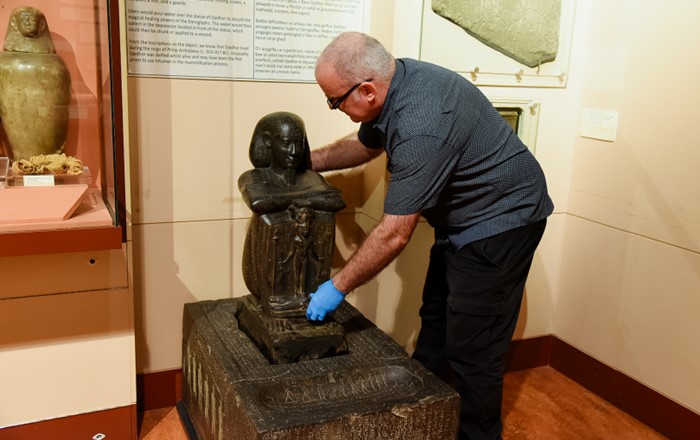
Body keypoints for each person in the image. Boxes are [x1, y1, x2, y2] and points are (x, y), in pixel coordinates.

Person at [305, 32, 553, 440]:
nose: (334, 108)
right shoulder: (395, 82)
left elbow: (394, 234)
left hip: (502, 222)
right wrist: (308, 161)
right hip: (461, 222)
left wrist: (336, 287)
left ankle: (477, 434)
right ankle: (424, 418)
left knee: (475, 350)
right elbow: (365, 148)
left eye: (334, 100)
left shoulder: (422, 124)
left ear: (366, 90)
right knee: (436, 320)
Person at [239, 111, 345, 318]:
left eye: (299, 143)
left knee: (323, 217)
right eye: (287, 143)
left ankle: (305, 298)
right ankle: (276, 301)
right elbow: (259, 202)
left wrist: (284, 199)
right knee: (272, 219)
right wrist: (310, 198)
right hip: (266, 266)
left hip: (307, 265)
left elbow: (336, 201)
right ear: (269, 143)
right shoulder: (253, 176)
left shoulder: (311, 177)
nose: (294, 151)